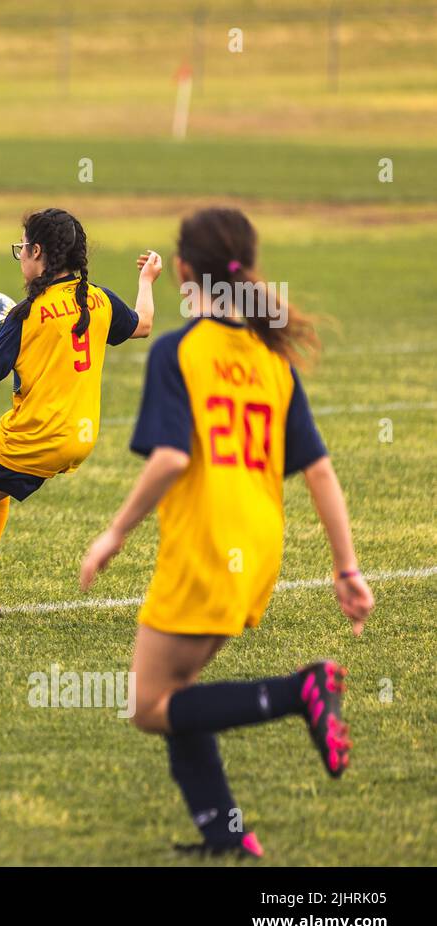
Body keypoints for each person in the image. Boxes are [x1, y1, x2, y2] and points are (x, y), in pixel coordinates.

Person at [79, 207, 374, 857]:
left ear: (183, 270)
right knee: (177, 695)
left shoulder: (178, 352)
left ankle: (302, 690)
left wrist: (115, 533)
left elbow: (172, 458)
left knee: (149, 707)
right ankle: (226, 837)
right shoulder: (272, 362)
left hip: (208, 547)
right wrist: (346, 568)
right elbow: (319, 470)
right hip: (260, 545)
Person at [0, 208, 160, 616]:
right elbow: (143, 324)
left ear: (38, 252)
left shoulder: (26, 314)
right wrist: (146, 281)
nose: (20, 254)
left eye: (22, 246)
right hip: (80, 437)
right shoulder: (98, 299)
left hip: (34, 436)